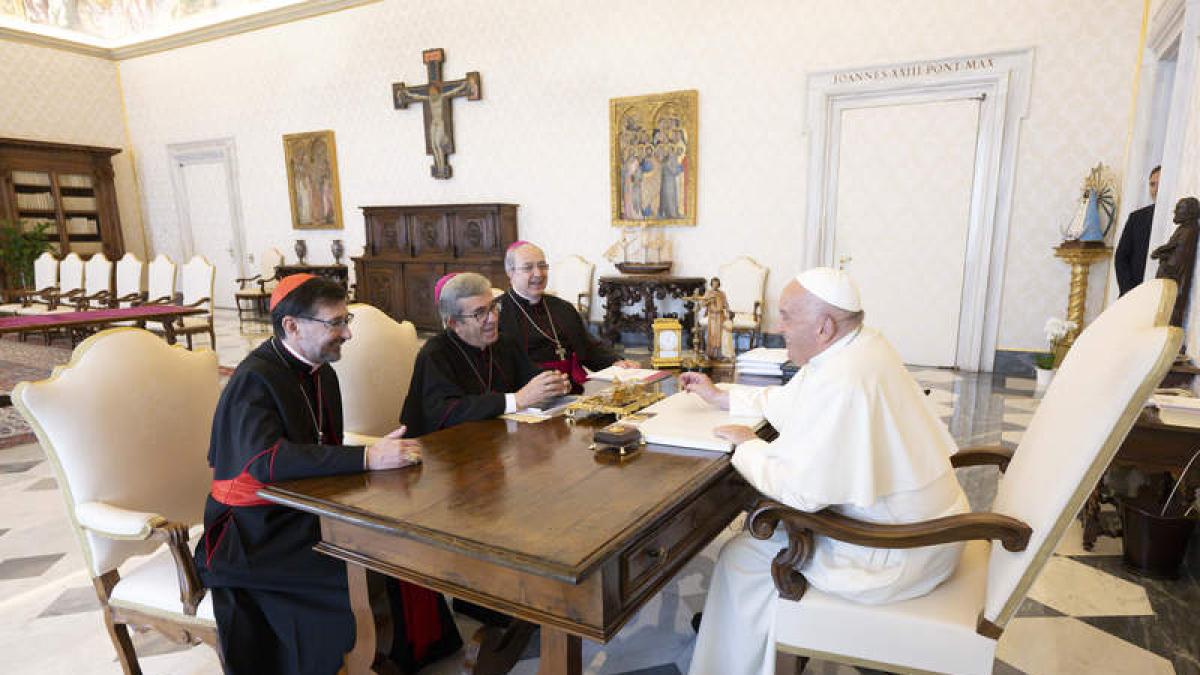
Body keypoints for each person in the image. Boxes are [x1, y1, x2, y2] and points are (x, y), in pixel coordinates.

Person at [683, 267, 969, 675]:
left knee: (742, 555)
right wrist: (722, 397)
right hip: (930, 532)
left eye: (786, 317)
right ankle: (740, 636)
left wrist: (747, 445)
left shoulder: (845, 377)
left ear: (823, 326)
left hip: (896, 554)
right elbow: (794, 401)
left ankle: (734, 658)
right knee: (760, 537)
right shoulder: (859, 345)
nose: (778, 327)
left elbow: (801, 494)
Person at [194, 274, 463, 675]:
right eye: (335, 323)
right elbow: (267, 462)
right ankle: (352, 662)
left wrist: (372, 459)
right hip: (251, 534)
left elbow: (322, 447)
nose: (348, 333)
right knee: (347, 573)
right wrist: (367, 457)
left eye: (346, 319)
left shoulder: (322, 372)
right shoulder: (255, 378)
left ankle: (406, 654)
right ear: (292, 326)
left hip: (300, 511)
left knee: (399, 543)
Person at [498, 242, 638, 392]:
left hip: (570, 390)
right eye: (528, 268)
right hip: (527, 395)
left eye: (542, 266)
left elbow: (588, 346)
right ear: (510, 272)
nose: (538, 274)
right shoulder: (497, 314)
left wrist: (616, 362)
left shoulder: (563, 308)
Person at [1151, 196, 1200, 327]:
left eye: (1179, 208)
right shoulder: (1183, 229)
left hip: (1175, 285)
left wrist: (1162, 258)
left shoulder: (1189, 231)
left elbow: (1177, 262)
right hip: (1171, 283)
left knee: (1171, 318)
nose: (1175, 211)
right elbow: (1173, 247)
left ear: (1190, 212)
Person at [1115, 165, 1161, 295]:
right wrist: (1129, 292)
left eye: (1160, 183)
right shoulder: (1136, 217)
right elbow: (1121, 257)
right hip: (1133, 293)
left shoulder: (1177, 216)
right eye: (1152, 184)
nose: (1156, 189)